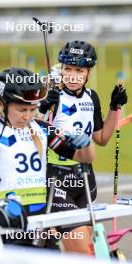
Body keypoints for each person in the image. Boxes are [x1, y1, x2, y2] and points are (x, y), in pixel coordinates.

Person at [0, 67, 94, 246]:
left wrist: (86, 144)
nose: (28, 116)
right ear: (2, 103)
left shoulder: (41, 128)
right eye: (22, 110)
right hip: (3, 220)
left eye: (33, 109)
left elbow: (85, 158)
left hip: (39, 220)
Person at [39, 40, 128, 254]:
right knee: (84, 254)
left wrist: (114, 107)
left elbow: (102, 138)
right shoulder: (52, 96)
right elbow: (30, 129)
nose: (71, 75)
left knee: (87, 250)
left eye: (78, 70)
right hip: (56, 179)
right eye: (67, 68)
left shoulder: (91, 97)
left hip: (86, 179)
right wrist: (42, 109)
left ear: (88, 72)